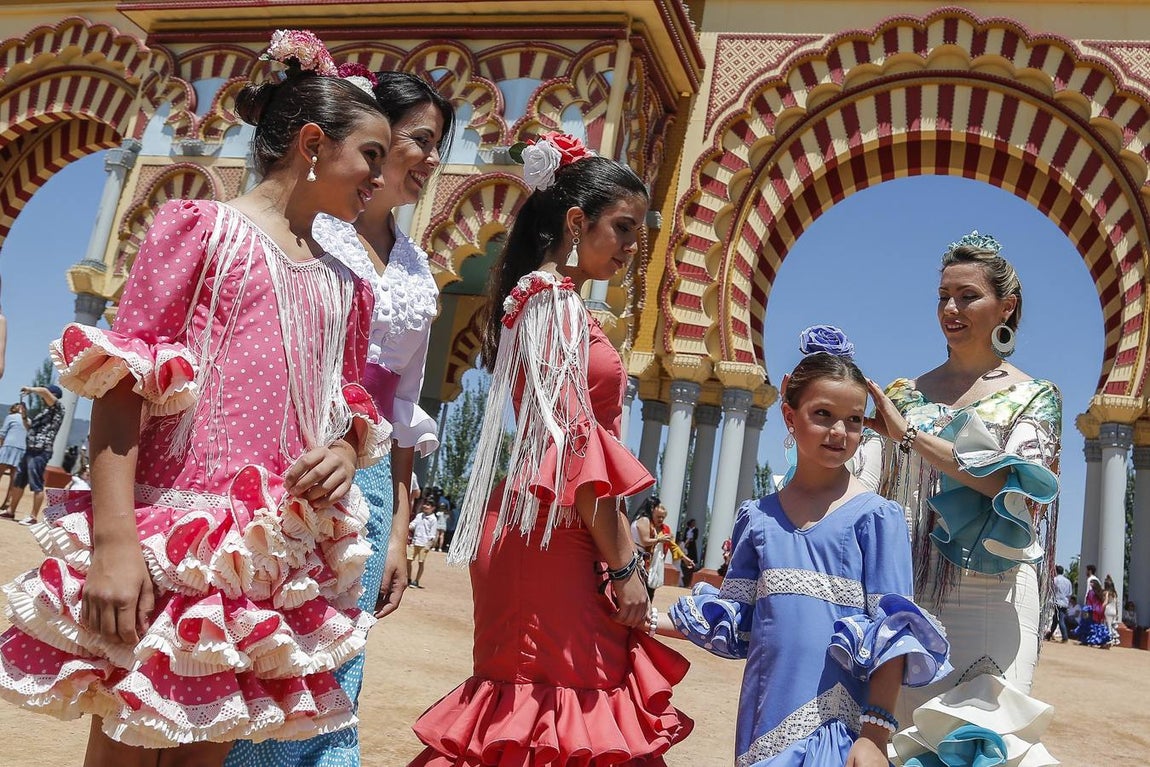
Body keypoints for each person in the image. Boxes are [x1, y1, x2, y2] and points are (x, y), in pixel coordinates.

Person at [0, 29, 391, 765]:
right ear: (312, 142)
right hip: (163, 544)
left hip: (259, 557)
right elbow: (125, 386)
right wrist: (115, 543)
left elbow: (343, 404)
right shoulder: (203, 234)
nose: (381, 174)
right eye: (370, 154)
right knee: (127, 741)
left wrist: (343, 449)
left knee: (201, 748)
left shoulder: (346, 286)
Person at [410, 133, 693, 765]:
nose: (632, 247)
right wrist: (624, 569)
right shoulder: (552, 305)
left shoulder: (541, 302)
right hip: (557, 538)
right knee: (563, 714)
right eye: (622, 228)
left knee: (549, 716)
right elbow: (572, 451)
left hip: (548, 532)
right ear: (575, 221)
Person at [225, 68, 453, 767]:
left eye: (439, 144)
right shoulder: (314, 232)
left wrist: (399, 521)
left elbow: (405, 402)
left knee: (336, 657)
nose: (432, 159)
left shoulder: (416, 263)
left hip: (372, 481)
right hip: (295, 468)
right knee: (268, 643)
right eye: (419, 140)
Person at [661, 328, 951, 766]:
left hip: (838, 726)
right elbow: (738, 618)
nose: (839, 431)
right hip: (762, 719)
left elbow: (893, 634)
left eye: (854, 420)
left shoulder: (877, 517)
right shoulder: (756, 518)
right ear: (789, 416)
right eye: (823, 414)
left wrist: (874, 735)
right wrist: (649, 618)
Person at [858, 232, 1061, 763]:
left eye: (967, 296)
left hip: (996, 597)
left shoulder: (1035, 396)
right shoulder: (904, 394)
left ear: (1006, 306)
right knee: (906, 743)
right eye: (943, 296)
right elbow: (865, 485)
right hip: (912, 593)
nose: (950, 308)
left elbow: (1017, 488)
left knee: (980, 745)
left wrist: (910, 437)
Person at [5, 384, 65, 524]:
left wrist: (30, 389)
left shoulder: (58, 408)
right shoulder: (46, 412)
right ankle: (10, 511)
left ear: (53, 395)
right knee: (19, 481)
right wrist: (24, 416)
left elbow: (43, 391)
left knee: (36, 483)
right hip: (31, 449)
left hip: (40, 450)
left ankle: (33, 516)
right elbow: (29, 428)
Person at [631, 496, 694, 599]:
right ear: (653, 511)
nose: (660, 519)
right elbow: (644, 540)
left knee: (650, 589)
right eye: (658, 516)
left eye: (663, 517)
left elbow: (673, 546)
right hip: (643, 561)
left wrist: (684, 558)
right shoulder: (646, 522)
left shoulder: (665, 529)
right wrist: (659, 540)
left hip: (654, 564)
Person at [0, 402, 28, 509]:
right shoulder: (28, 421)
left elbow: (2, 433)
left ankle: (7, 502)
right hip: (21, 450)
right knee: (14, 480)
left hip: (8, 447)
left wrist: (1, 446)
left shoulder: (10, 417)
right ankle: (7, 502)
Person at [407, 499, 438, 587]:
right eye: (425, 504)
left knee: (421, 562)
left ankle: (416, 581)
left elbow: (432, 534)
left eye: (428, 505)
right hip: (415, 541)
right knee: (408, 560)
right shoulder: (419, 516)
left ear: (433, 508)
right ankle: (408, 578)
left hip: (424, 543)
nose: (425, 506)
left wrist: (428, 545)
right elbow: (413, 525)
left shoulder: (433, 519)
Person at [1047, 564, 1073, 642]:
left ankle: (1065, 637)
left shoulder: (1055, 580)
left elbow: (1051, 590)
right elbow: (1069, 593)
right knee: (1056, 619)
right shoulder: (1068, 581)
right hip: (1064, 602)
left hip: (1057, 602)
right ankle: (1050, 634)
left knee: (1060, 619)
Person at [678, 517, 700, 586]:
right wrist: (684, 542)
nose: (694, 524)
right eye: (693, 523)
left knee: (691, 557)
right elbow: (685, 536)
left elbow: (695, 537)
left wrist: (689, 541)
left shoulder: (695, 530)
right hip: (685, 544)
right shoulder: (687, 529)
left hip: (691, 546)